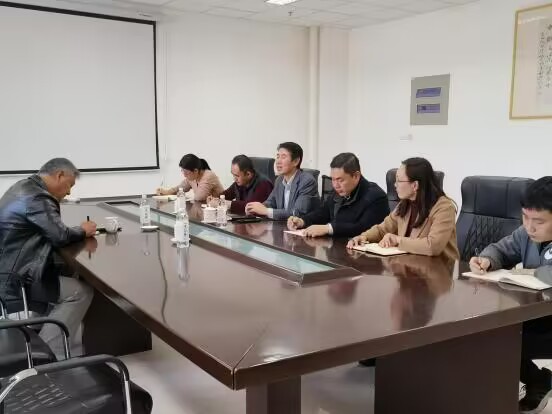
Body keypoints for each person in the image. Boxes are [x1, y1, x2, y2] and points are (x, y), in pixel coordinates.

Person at [469, 176, 552, 414]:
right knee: (488, 332)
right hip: (536, 315)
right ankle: (537, 381)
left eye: (539, 221)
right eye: (525, 217)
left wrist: (530, 272)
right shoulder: (526, 234)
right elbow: (500, 249)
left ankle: (536, 382)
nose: (530, 227)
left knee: (500, 339)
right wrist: (487, 260)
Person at [0, 158, 96, 357]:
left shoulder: (23, 187)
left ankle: (48, 337)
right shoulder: (38, 197)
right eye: (69, 185)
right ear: (59, 175)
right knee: (81, 291)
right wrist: (83, 230)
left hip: (9, 270)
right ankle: (51, 354)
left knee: (68, 270)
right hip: (17, 280)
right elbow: (60, 235)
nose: (69, 192)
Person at [347, 157, 459, 262]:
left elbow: (433, 246)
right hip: (411, 265)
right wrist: (363, 237)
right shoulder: (405, 204)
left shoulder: (444, 208)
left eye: (399, 181)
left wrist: (397, 240)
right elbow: (382, 229)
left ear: (415, 185)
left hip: (439, 269)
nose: (395, 185)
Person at [287, 152, 389, 238]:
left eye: (340, 180)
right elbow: (323, 213)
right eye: (333, 179)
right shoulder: (338, 191)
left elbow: (364, 228)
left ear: (356, 176)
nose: (335, 185)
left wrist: (328, 228)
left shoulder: (376, 197)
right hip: (336, 247)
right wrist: (302, 221)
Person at [245, 142, 319, 220]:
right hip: (282, 224)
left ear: (296, 161)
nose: (278, 161)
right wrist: (255, 208)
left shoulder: (307, 181)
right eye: (278, 157)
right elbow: (270, 203)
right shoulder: (279, 180)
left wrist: (266, 211)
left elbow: (298, 213)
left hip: (304, 226)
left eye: (283, 157)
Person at [207, 155, 273, 215]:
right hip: (243, 219)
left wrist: (224, 203)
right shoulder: (240, 182)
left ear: (248, 174)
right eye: (233, 175)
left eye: (237, 176)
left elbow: (251, 207)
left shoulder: (264, 184)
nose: (234, 179)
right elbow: (227, 194)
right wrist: (214, 198)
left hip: (261, 222)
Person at [156, 154, 224, 201]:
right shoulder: (192, 177)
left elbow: (199, 197)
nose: (184, 175)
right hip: (203, 209)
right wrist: (165, 192)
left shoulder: (208, 176)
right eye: (182, 171)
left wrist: (185, 196)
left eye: (186, 172)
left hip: (219, 211)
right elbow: (179, 188)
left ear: (195, 171)